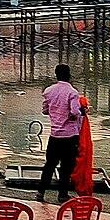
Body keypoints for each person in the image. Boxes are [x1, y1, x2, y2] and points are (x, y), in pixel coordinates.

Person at [36, 63, 87, 204]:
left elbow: (45, 110)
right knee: (66, 166)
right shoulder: (72, 93)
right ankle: (62, 194)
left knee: (50, 164)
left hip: (54, 134)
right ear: (69, 75)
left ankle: (41, 191)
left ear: (56, 75)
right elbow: (75, 112)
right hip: (70, 135)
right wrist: (81, 112)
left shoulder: (49, 91)